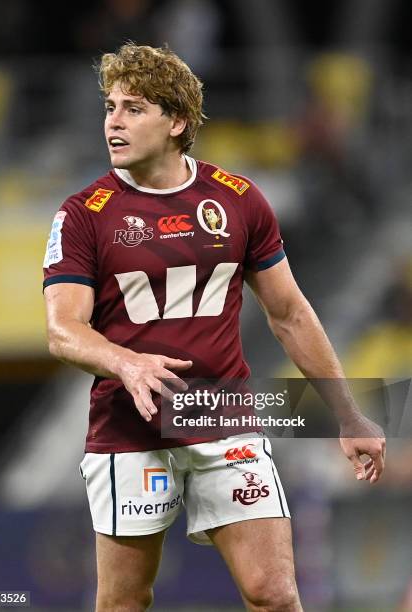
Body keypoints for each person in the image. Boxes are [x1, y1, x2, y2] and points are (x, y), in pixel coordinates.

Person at [43, 43, 386, 612]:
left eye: (133, 109)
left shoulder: (238, 201)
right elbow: (62, 330)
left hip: (224, 417)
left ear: (177, 122)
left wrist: (347, 413)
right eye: (110, 107)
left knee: (274, 593)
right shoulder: (83, 213)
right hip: (131, 430)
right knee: (125, 602)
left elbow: (290, 314)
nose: (113, 122)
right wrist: (127, 362)